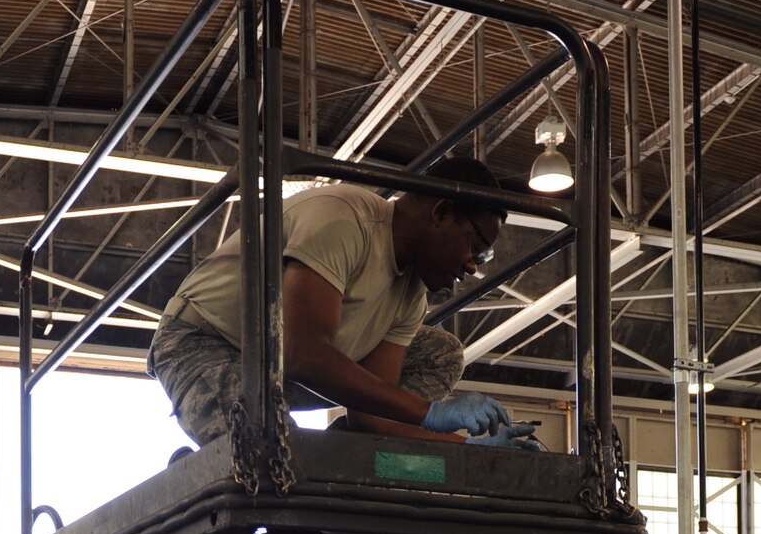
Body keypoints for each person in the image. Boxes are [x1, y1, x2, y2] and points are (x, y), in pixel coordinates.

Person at [151, 156, 541, 451]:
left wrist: (466, 448)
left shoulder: (410, 297)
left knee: (441, 353)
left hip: (283, 371)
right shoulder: (344, 221)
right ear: (441, 212)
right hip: (207, 344)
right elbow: (304, 354)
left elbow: (372, 413)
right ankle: (218, 462)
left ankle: (342, 451)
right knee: (275, 454)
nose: (472, 266)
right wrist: (431, 414)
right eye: (476, 248)